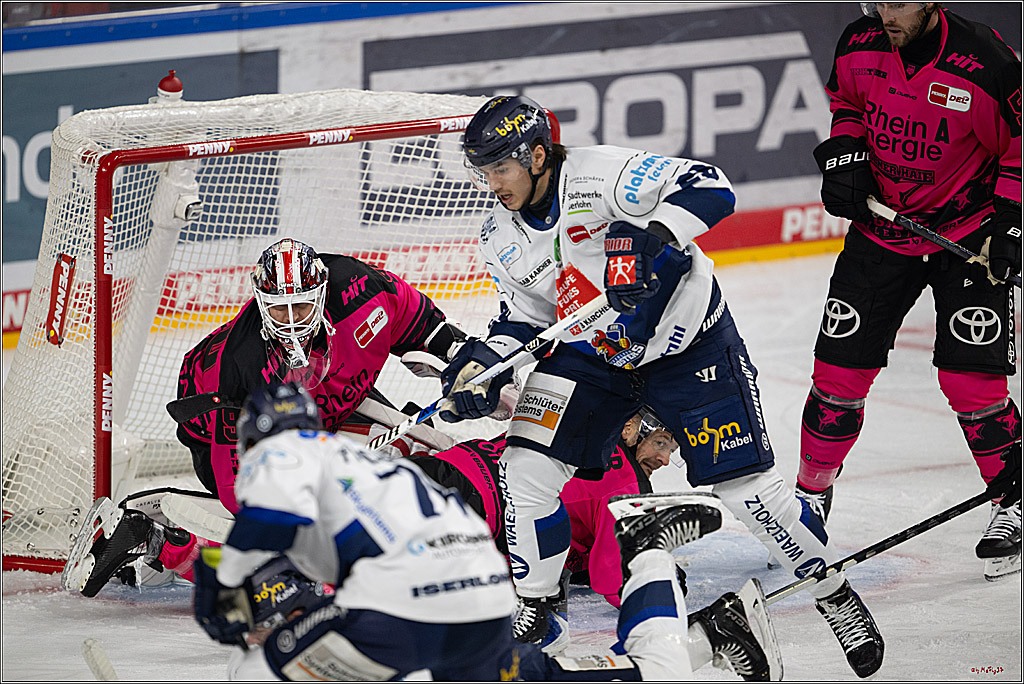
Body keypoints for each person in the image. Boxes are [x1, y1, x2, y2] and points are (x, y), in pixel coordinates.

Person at [441, 94, 884, 677]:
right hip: (595, 359)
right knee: (525, 469)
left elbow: (713, 186)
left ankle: (835, 596)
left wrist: (656, 233)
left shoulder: (601, 174)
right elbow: (524, 321)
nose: (491, 182)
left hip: (687, 347)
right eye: (483, 170)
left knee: (750, 492)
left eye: (499, 167)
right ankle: (539, 607)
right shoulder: (499, 233)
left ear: (538, 156)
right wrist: (483, 366)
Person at [193, 382, 782, 682]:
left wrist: (222, 585)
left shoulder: (288, 453)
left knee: (272, 665)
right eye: (660, 443)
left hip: (458, 527)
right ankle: (697, 633)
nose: (663, 457)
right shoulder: (607, 468)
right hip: (483, 575)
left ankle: (656, 581)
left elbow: (271, 527)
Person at [62, 237, 472, 597]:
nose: (292, 322)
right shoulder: (240, 368)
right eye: (280, 311)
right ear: (261, 304)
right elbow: (238, 488)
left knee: (412, 451)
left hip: (330, 404)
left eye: (302, 307)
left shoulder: (359, 290)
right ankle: (158, 534)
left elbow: (417, 319)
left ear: (323, 292)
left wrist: (460, 358)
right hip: (227, 435)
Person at [802, 2, 1021, 582]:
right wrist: (846, 157)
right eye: (876, 1)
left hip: (966, 235)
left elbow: (1019, 151)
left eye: (896, 3)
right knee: (838, 377)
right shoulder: (860, 42)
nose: (884, 15)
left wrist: (1011, 228)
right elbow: (847, 104)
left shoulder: (987, 63)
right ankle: (808, 499)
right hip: (880, 233)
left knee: (972, 383)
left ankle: (1013, 497)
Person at [408, 407, 682, 609]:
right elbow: (616, 582)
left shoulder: (585, 415)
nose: (664, 459)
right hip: (474, 513)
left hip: (451, 466)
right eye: (660, 443)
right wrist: (656, 579)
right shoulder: (629, 489)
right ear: (630, 428)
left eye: (671, 449)